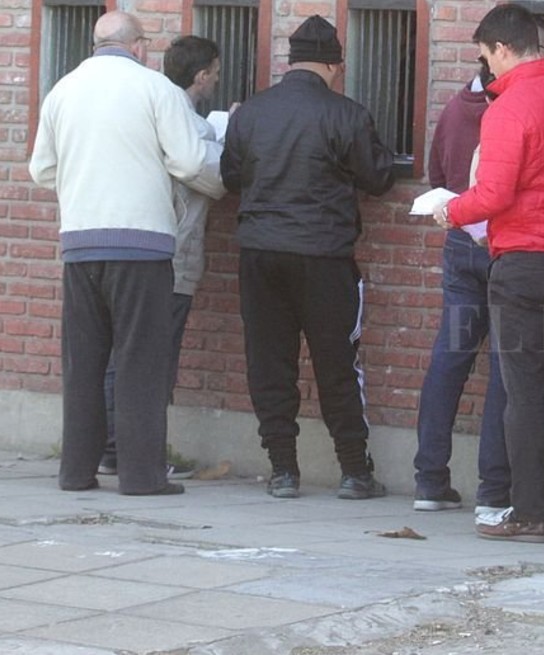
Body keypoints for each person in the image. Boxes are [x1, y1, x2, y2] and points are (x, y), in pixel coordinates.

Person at [436, 3, 544, 544]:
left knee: (526, 388)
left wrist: (450, 211)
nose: (486, 69)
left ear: (504, 48)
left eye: (486, 57)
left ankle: (531, 511)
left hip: (526, 263)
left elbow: (494, 194)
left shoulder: (509, 108)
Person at [29, 11, 209, 496]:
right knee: (140, 362)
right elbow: (190, 160)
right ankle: (141, 475)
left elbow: (41, 169)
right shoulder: (157, 90)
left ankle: (76, 472)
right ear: (139, 46)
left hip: (81, 243)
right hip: (142, 244)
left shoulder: (62, 90)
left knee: (83, 363)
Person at [221, 15, 395, 500]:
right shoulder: (346, 113)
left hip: (260, 253)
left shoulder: (251, 113)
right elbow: (380, 177)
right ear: (336, 66)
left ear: (290, 62)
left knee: (269, 362)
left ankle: (282, 471)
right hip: (323, 256)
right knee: (337, 363)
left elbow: (231, 178)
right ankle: (355, 472)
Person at [97, 34, 229, 482]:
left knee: (123, 354)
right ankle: (130, 451)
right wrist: (230, 143)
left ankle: (113, 447)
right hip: (169, 256)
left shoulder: (152, 103)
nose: (216, 78)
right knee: (150, 359)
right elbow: (204, 172)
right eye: (214, 71)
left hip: (127, 245)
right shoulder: (178, 115)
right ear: (201, 75)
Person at [413, 66, 510, 517]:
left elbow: (435, 173)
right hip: (505, 243)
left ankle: (429, 480)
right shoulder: (514, 108)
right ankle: (495, 487)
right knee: (504, 367)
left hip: (458, 240)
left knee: (449, 359)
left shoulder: (454, 109)